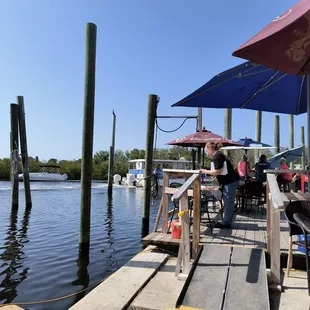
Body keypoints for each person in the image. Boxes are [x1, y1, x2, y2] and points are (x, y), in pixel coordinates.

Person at [200, 141, 239, 229]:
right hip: (230, 181)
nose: (206, 152)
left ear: (210, 149)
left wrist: (204, 171)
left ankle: (226, 223)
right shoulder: (219, 155)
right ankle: (227, 220)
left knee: (228, 201)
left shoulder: (217, 156)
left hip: (230, 181)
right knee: (228, 201)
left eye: (206, 150)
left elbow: (217, 171)